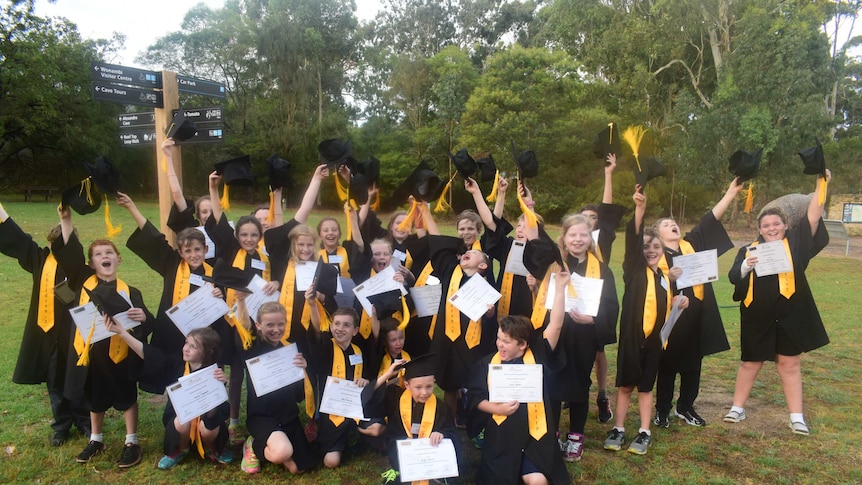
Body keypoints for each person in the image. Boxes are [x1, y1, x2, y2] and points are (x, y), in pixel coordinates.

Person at [724, 170, 831, 436]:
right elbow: (732, 277)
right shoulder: (748, 250)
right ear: (759, 229)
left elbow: (814, 214)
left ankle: (797, 417)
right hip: (757, 316)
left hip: (790, 315)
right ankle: (737, 407)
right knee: (750, 362)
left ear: (785, 226)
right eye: (766, 226)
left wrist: (821, 183)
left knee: (789, 364)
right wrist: (747, 267)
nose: (771, 228)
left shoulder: (796, 243)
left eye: (776, 224)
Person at [54, 205, 154, 468]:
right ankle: (96, 439)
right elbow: (69, 255)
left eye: (109, 252)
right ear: (90, 263)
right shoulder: (83, 284)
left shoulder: (129, 291)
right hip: (93, 353)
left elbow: (147, 319)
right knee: (95, 398)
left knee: (127, 396)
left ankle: (131, 440)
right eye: (98, 254)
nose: (104, 256)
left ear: (118, 259)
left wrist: (143, 318)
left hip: (121, 353)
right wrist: (66, 220)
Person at [523, 213, 619, 462]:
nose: (578, 239)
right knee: (551, 380)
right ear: (563, 239)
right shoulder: (553, 264)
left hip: (583, 335)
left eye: (583, 235)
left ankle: (576, 435)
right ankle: (552, 433)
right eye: (572, 235)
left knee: (579, 382)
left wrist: (594, 320)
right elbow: (533, 247)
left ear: (590, 239)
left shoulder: (602, 270)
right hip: (555, 332)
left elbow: (610, 305)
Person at [603, 186, 689, 455]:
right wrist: (640, 209)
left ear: (663, 250)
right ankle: (618, 428)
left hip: (655, 341)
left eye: (656, 246)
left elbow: (666, 308)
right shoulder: (634, 270)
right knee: (626, 385)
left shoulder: (665, 278)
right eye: (646, 247)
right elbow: (634, 238)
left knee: (646, 387)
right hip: (631, 338)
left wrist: (679, 303)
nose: (651, 250)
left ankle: (644, 431)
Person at [466, 272, 571, 485]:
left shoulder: (538, 355)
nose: (499, 345)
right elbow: (476, 400)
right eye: (498, 338)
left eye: (506, 342)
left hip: (536, 435)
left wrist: (560, 288)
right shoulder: (486, 364)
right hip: (501, 435)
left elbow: (556, 325)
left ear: (522, 344)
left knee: (538, 481)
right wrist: (497, 409)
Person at [652, 179, 741, 428]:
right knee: (667, 366)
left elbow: (709, 219)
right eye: (667, 225)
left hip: (698, 314)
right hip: (672, 317)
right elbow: (647, 284)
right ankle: (662, 409)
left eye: (674, 224)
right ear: (658, 234)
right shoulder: (654, 254)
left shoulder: (692, 244)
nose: (673, 226)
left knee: (693, 365)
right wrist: (668, 284)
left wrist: (731, 192)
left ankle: (686, 406)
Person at [0, 203, 89, 446]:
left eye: (61, 245)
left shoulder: (80, 268)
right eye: (52, 244)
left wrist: (66, 222)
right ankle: (61, 425)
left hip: (74, 333)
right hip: (48, 335)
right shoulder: (40, 259)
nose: (55, 249)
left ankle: (83, 421)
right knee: (54, 382)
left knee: (76, 379)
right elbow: (18, 239)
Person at [116, 192, 227, 383]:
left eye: (198, 249)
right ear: (181, 253)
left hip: (203, 337)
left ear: (206, 249)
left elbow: (225, 300)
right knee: (171, 376)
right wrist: (132, 208)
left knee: (203, 376)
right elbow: (153, 239)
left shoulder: (216, 270)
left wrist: (220, 293)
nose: (193, 255)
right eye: (188, 251)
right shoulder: (172, 264)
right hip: (172, 332)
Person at [110, 322, 232, 469]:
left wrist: (220, 384)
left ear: (208, 351)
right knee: (182, 421)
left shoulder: (213, 373)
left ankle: (211, 448)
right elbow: (149, 354)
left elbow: (216, 409)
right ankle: (180, 449)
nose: (186, 349)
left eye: (193, 346)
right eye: (186, 343)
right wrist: (122, 333)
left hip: (207, 421)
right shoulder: (176, 363)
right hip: (180, 422)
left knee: (210, 424)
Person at [235, 299, 316, 474]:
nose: (276, 329)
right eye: (269, 324)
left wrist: (302, 372)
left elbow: (297, 396)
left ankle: (278, 442)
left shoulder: (290, 351)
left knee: (298, 469)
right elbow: (243, 329)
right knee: (282, 453)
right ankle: (254, 445)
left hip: (288, 416)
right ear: (258, 325)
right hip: (262, 417)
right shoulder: (252, 349)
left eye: (281, 324)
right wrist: (241, 301)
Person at [362, 354, 459, 484]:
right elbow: (367, 399)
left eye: (429, 386)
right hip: (403, 461)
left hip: (430, 465)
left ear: (434, 383)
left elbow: (452, 434)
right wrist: (387, 375)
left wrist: (442, 434)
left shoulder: (440, 408)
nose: (424, 392)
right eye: (418, 387)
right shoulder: (394, 398)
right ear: (407, 385)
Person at [580, 153, 625, 424]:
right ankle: (577, 394)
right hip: (577, 293)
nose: (588, 219)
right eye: (583, 216)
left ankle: (602, 394)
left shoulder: (602, 238)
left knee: (598, 350)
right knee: (574, 345)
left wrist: (608, 174)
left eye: (593, 216)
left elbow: (607, 208)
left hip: (600, 295)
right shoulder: (572, 240)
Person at [307, 303, 374, 469]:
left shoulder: (358, 351)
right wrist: (311, 305)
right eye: (336, 324)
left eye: (346, 325)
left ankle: (354, 434)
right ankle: (344, 440)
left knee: (377, 429)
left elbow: (364, 378)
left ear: (355, 330)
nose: (340, 328)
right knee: (331, 462)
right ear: (331, 326)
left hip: (354, 409)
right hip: (332, 414)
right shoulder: (325, 347)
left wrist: (364, 381)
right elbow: (316, 330)